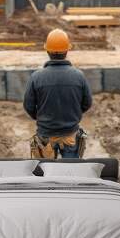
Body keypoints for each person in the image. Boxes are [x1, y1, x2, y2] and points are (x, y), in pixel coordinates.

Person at [23, 29, 92, 159]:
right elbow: (87, 103)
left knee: (45, 175)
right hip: (70, 133)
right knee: (70, 174)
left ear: (47, 51)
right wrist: (73, 114)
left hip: (45, 134)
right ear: (67, 51)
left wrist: (42, 118)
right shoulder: (79, 76)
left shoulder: (36, 77)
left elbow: (28, 106)